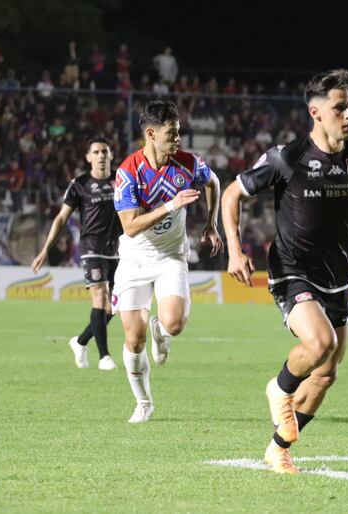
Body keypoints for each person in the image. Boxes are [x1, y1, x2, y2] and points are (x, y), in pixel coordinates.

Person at [221, 69, 348, 474]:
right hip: (292, 268)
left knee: (327, 372)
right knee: (319, 343)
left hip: (336, 274)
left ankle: (278, 448)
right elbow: (231, 194)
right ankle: (279, 388)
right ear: (315, 111)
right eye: (339, 107)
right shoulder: (288, 157)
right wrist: (235, 251)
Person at [113, 100, 222, 423]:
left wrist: (211, 223)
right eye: (171, 134)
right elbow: (130, 227)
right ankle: (143, 402)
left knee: (174, 323)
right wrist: (170, 205)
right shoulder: (128, 172)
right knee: (133, 338)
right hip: (135, 258)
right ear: (151, 134)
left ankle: (160, 330)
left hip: (171, 255)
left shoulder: (188, 164)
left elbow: (214, 181)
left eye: (178, 132)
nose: (178, 139)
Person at [31, 136, 123, 371]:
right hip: (91, 248)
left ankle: (80, 342)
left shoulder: (122, 181)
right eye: (97, 152)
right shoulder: (80, 184)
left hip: (118, 249)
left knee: (113, 307)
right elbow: (62, 218)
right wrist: (44, 250)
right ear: (88, 157)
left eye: (105, 151)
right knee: (100, 298)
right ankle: (104, 357)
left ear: (111, 155)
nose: (101, 155)